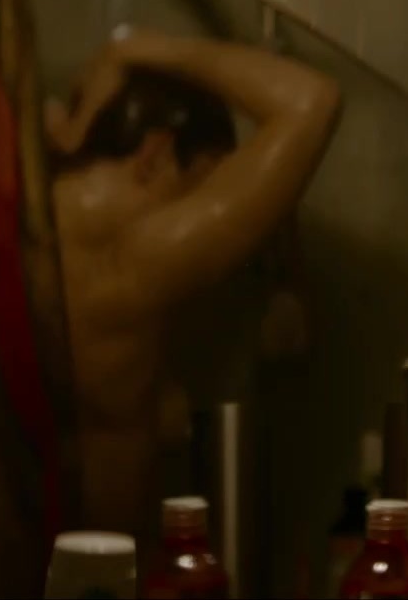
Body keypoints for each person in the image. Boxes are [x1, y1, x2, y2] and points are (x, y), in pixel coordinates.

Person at [45, 27, 341, 541]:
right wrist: (133, 46)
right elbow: (311, 101)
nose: (198, 217)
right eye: (199, 188)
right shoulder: (126, 261)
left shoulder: (39, 218)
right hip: (102, 569)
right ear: (156, 154)